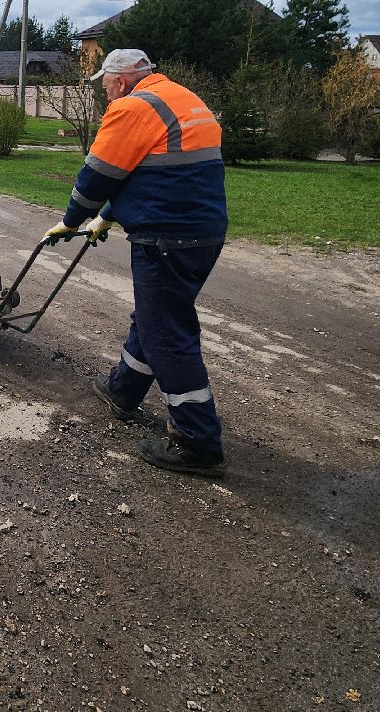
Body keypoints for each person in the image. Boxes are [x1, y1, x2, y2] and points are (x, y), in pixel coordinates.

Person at [44, 49, 228, 477]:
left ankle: (198, 441)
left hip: (168, 235)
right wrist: (108, 216)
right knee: (155, 316)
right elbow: (155, 170)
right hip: (202, 230)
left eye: (103, 85)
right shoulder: (180, 97)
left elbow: (99, 174)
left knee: (167, 334)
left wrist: (71, 220)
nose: (103, 93)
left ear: (120, 82)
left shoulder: (131, 108)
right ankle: (123, 390)